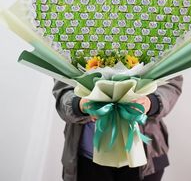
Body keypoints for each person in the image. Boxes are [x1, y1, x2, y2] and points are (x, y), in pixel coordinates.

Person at [52, 75, 183, 181]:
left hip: (145, 157)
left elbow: (171, 83)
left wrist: (150, 102)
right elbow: (63, 89)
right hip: (86, 158)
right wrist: (79, 105)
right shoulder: (73, 45)